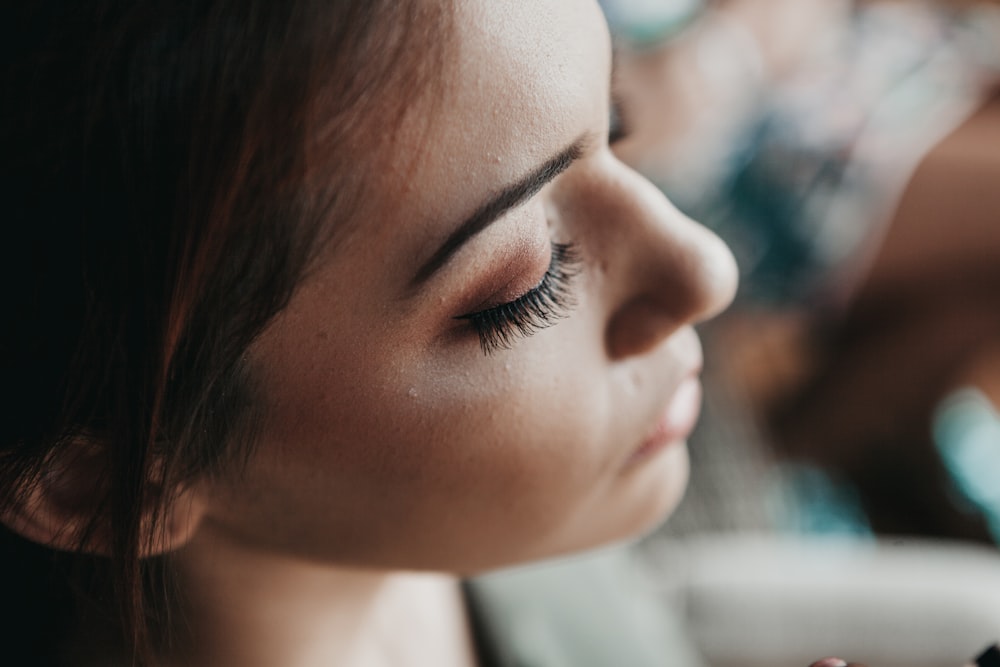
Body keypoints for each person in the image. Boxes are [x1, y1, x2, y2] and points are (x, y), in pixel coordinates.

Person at [2, 1, 738, 665]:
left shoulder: (469, 520)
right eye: (524, 284)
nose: (708, 270)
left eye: (613, 125)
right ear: (96, 477)